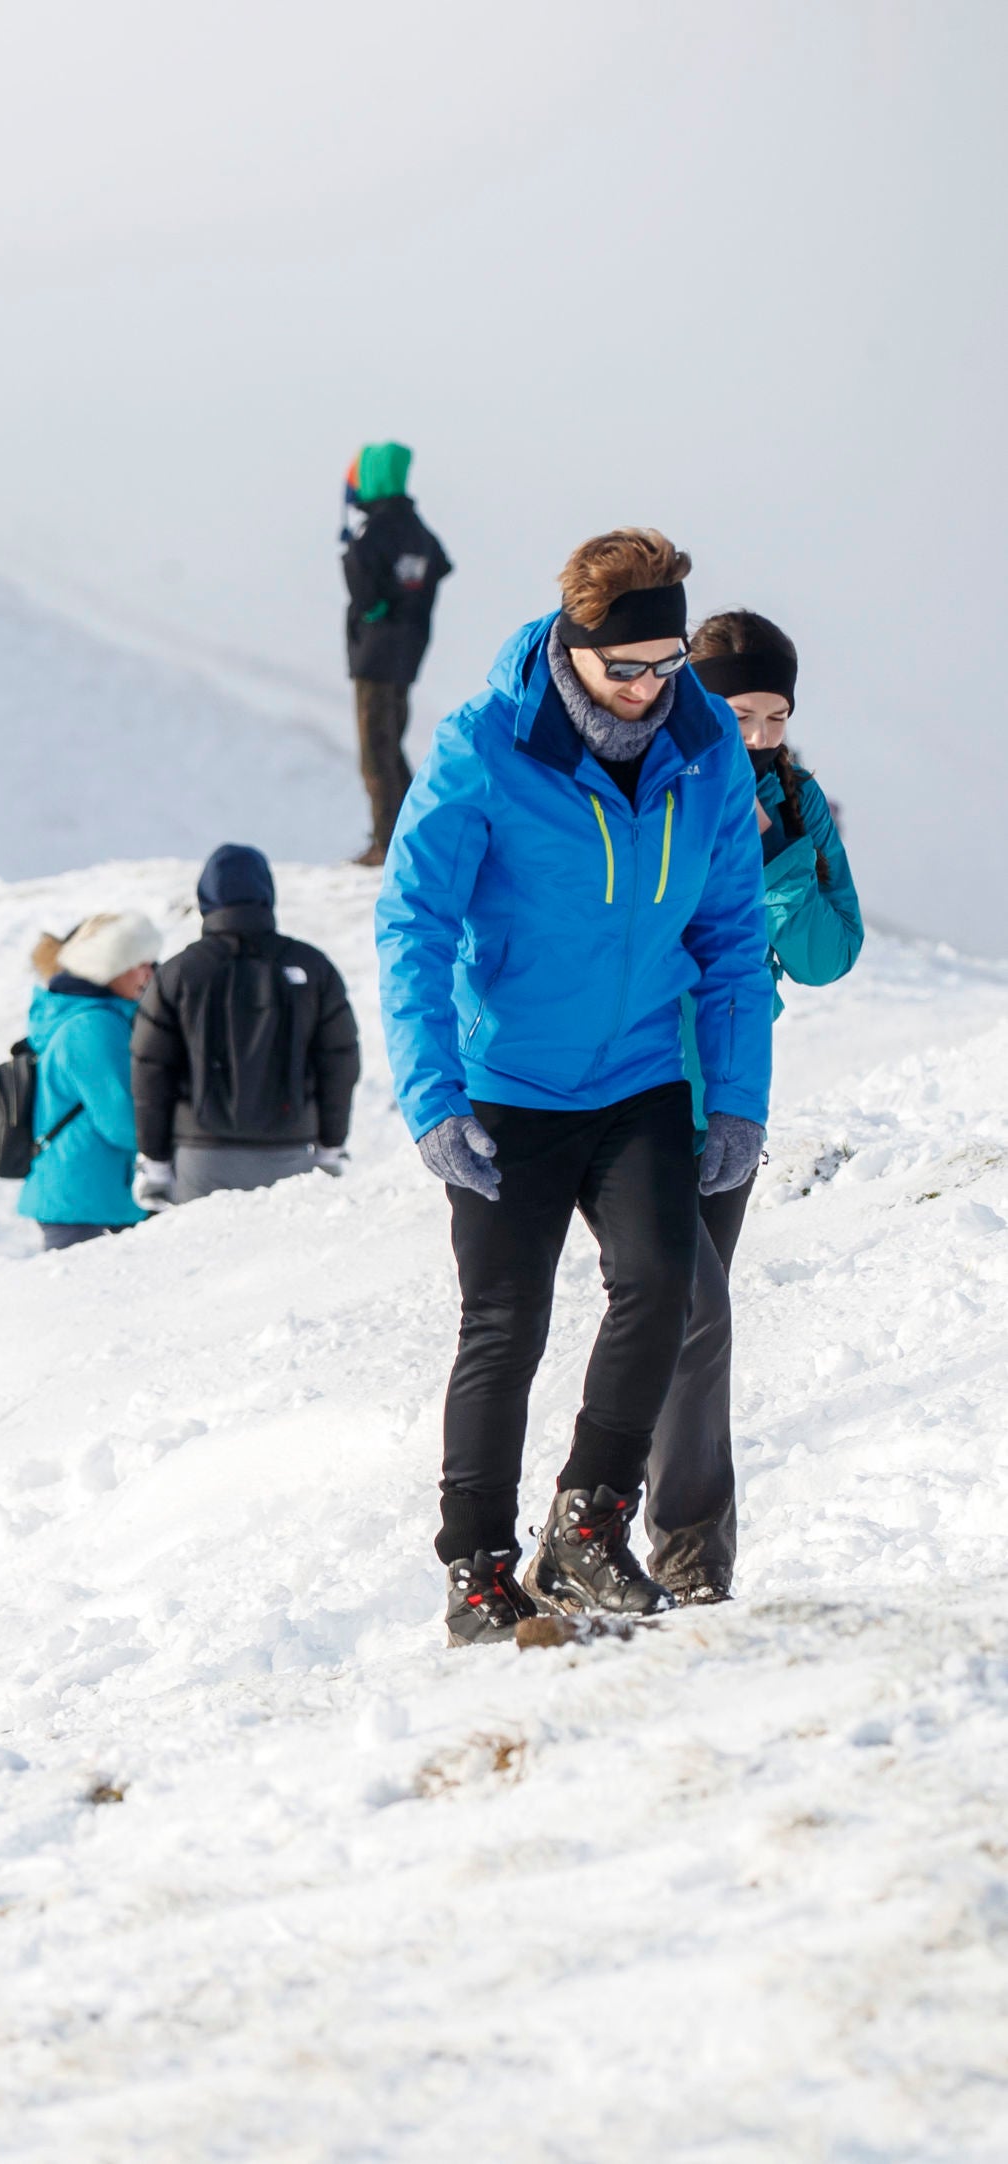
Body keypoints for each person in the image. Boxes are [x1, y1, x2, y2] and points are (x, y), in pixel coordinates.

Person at [374, 530, 774, 1647]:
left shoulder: (705, 754)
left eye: (666, 665)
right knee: (504, 1320)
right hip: (508, 1083)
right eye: (625, 667)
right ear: (573, 648)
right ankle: (476, 1567)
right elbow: (412, 922)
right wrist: (431, 1095)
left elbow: (732, 935)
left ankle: (587, 1528)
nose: (649, 690)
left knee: (667, 1286)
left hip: (641, 1072)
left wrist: (735, 1096)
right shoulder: (482, 748)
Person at [642, 609, 865, 1604]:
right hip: (632, 1085)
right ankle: (677, 1549)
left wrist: (776, 860)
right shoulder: (648, 777)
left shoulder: (792, 796)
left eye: (775, 715)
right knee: (687, 1314)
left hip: (729, 1097)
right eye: (740, 712)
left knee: (681, 1320)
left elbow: (826, 955)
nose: (760, 735)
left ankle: (656, 1546)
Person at [130, 847, 361, 1207]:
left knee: (206, 1259)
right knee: (288, 1259)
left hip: (201, 1154)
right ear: (267, 893)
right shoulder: (314, 968)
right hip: (291, 1150)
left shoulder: (178, 974)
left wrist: (155, 1161)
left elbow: (151, 1071)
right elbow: (338, 1061)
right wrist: (331, 1146)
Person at [16, 912, 161, 1249]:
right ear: (109, 967)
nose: (150, 975)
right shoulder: (93, 1027)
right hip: (86, 1200)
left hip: (87, 1194)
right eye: (140, 964)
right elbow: (125, 1124)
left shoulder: (91, 1016)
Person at [341, 442, 455, 864]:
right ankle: (411, 833)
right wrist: (410, 602)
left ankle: (388, 842)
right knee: (393, 745)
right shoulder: (416, 529)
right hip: (408, 653)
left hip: (374, 655)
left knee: (375, 749)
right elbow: (440, 566)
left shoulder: (372, 531)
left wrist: (379, 606)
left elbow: (362, 588)